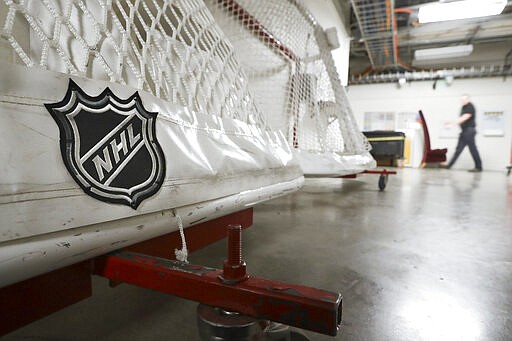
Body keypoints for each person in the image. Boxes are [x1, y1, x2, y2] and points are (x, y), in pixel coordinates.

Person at [443, 94, 482, 172]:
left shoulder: (470, 106)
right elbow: (461, 118)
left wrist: (452, 124)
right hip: (464, 131)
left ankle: (478, 167)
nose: (463, 101)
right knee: (458, 149)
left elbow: (465, 118)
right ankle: (449, 165)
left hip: (469, 131)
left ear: (468, 99)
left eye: (464, 99)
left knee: (473, 149)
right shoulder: (463, 107)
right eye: (462, 100)